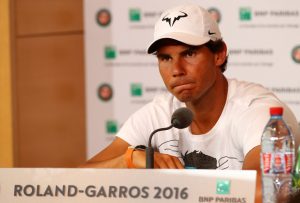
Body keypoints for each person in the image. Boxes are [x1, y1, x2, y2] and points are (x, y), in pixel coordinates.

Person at [82, 4, 300, 203]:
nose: (176, 70)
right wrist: (127, 161)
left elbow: (266, 192)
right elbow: (73, 181)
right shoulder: (159, 114)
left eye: (189, 53)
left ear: (219, 54)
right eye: (165, 58)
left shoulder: (255, 110)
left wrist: (181, 188)